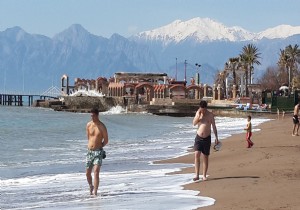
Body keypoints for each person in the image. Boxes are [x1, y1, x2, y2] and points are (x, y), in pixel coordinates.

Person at [192, 100, 219, 181]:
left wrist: (216, 138)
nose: (202, 110)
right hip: (199, 137)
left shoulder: (210, 115)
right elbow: (194, 123)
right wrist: (199, 118)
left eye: (203, 109)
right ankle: (196, 175)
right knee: (197, 154)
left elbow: (214, 126)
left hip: (207, 138)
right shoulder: (198, 112)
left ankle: (204, 175)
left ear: (206, 108)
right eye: (201, 109)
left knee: (205, 157)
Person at [86, 108, 108, 196]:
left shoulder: (102, 126)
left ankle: (95, 192)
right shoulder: (88, 125)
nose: (92, 117)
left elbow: (106, 140)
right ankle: (91, 186)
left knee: (96, 171)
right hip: (89, 152)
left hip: (98, 151)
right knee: (87, 173)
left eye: (93, 116)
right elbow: (89, 138)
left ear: (97, 115)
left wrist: (99, 146)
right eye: (91, 116)